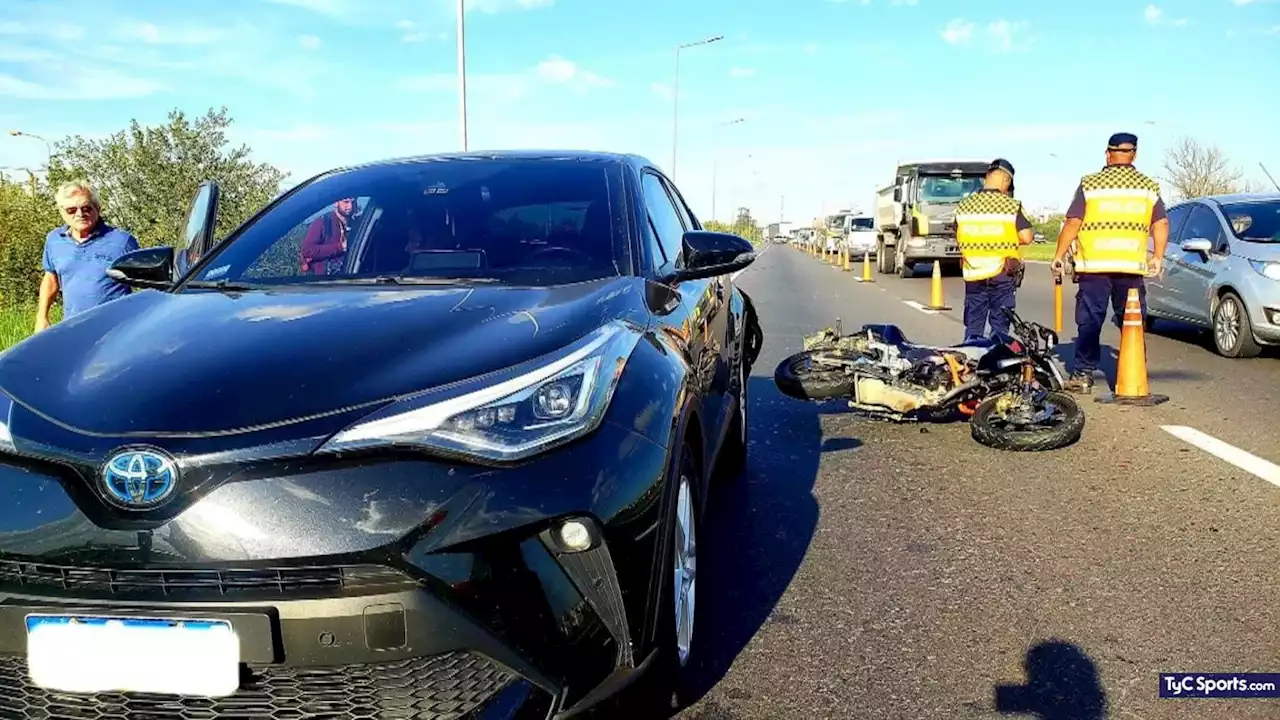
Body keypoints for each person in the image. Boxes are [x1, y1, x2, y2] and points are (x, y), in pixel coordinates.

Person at [1051, 132, 1170, 395]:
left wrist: (1058, 255)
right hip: (1130, 268)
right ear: (1134, 155)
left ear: (1107, 153)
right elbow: (1160, 222)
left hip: (1095, 266)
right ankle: (1134, 369)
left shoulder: (1091, 184)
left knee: (1090, 320)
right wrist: (1158, 256)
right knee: (1132, 320)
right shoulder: (1148, 187)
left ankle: (1083, 374)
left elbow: (1073, 221)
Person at [34, 181, 141, 332]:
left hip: (115, 330)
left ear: (97, 208)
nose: (79, 214)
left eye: (86, 208)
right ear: (61, 212)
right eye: (71, 210)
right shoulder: (54, 240)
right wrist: (42, 317)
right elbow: (51, 280)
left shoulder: (122, 241)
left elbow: (147, 281)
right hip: (72, 329)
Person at [954, 158, 1035, 341]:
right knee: (999, 325)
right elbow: (1026, 237)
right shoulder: (1010, 206)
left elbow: (958, 235)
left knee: (974, 325)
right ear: (1006, 181)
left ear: (986, 178)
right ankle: (995, 365)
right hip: (1002, 273)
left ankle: (971, 361)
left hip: (973, 273)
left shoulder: (964, 206)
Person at [300, 197, 357, 275]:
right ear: (336, 203)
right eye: (346, 202)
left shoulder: (358, 224)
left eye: (353, 202)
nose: (350, 206)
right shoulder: (322, 222)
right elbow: (308, 250)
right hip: (326, 282)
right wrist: (340, 248)